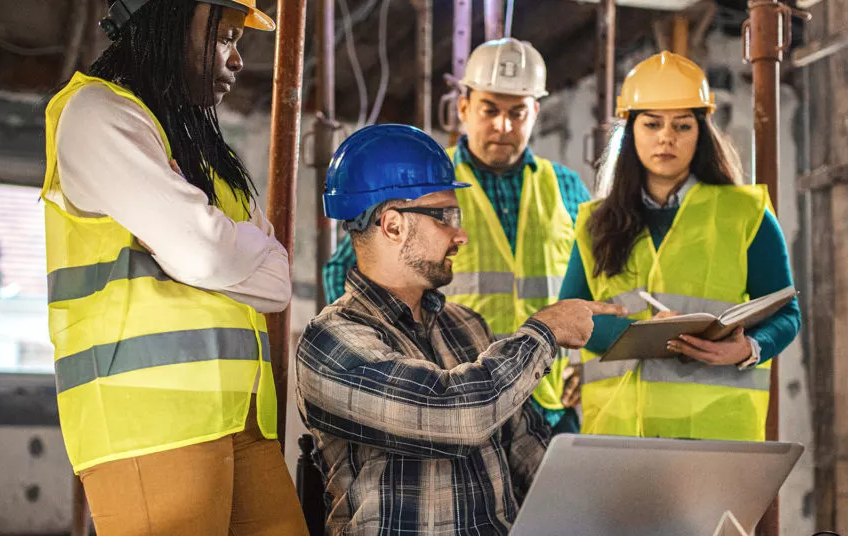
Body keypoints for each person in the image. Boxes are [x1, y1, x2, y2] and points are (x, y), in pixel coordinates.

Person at [42, 1, 307, 533]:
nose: (236, 60)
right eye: (222, 37)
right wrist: (215, 248)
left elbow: (278, 281)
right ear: (166, 20)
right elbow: (204, 253)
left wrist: (206, 245)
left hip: (241, 417)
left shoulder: (200, 151)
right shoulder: (96, 114)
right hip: (148, 425)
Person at [297, 124, 626, 535]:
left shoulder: (466, 326)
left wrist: (616, 507)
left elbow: (527, 449)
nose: (461, 234)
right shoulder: (331, 343)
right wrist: (544, 331)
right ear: (393, 225)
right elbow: (456, 414)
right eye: (445, 217)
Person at [322, 38, 592, 435]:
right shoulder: (427, 184)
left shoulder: (566, 187)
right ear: (464, 107)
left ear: (535, 111)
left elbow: (593, 282)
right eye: (490, 110)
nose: (503, 125)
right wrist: (390, 356)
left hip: (546, 400)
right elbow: (345, 270)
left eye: (517, 112)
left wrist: (584, 364)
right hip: (455, 394)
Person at [559, 51, 802, 440]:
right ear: (631, 129)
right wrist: (639, 333)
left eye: (682, 125)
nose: (666, 137)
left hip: (716, 433)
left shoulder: (745, 213)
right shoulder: (594, 223)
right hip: (618, 434)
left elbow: (787, 313)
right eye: (652, 124)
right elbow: (570, 317)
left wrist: (750, 348)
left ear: (701, 131)